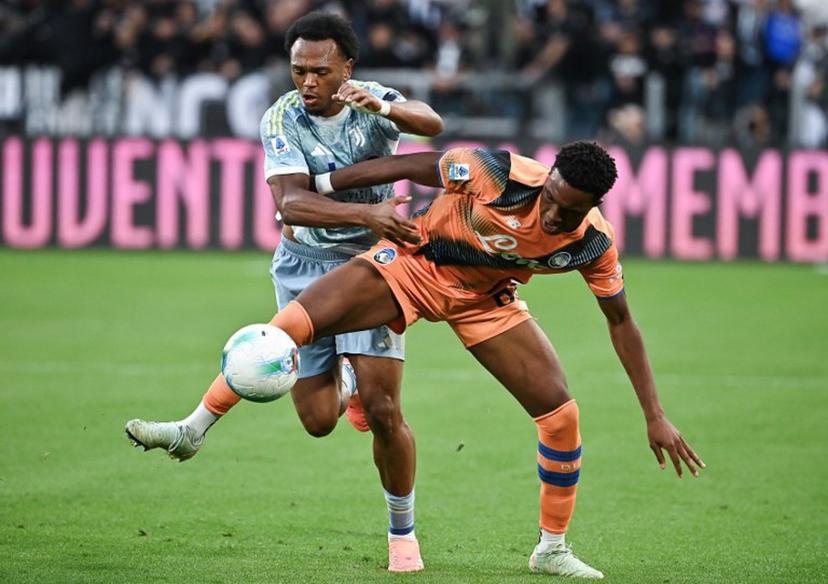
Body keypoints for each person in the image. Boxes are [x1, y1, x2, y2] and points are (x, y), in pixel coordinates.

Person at [260, 142, 706, 578]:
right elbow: (413, 165)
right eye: (550, 199)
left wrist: (654, 415)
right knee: (309, 344)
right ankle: (204, 418)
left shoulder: (593, 243)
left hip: (486, 301)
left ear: (593, 206)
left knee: (560, 413)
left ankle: (552, 549)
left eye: (568, 213)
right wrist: (323, 183)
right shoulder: (500, 174)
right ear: (548, 177)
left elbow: (621, 321)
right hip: (421, 267)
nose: (552, 215)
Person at [124, 11, 443, 573]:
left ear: (348, 66)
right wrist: (367, 212)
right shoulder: (282, 117)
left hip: (373, 264)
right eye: (298, 70)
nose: (308, 83)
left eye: (320, 71)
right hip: (305, 262)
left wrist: (386, 107)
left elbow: (430, 122)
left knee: (386, 409)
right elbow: (290, 204)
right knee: (319, 420)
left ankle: (403, 535)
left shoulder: (372, 99)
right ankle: (341, 377)